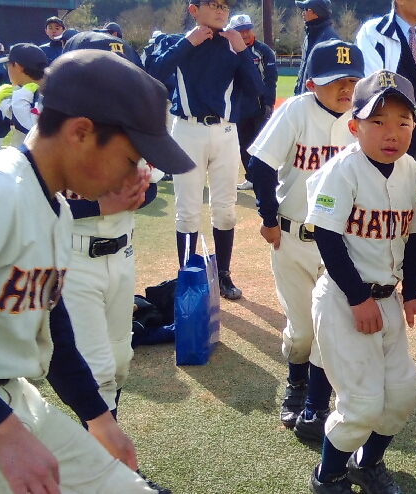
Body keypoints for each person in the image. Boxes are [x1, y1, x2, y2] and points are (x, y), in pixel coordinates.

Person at [0, 49, 195, 494]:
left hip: (7, 399)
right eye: (132, 158)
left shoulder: (57, 210)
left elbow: (54, 327)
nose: (135, 176)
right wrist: (3, 430)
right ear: (81, 132)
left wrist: (98, 418)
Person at [304, 69, 416, 493]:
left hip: (387, 300)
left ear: (414, 126)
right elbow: (326, 236)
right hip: (344, 300)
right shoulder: (342, 169)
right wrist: (358, 297)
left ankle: (368, 463)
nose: (391, 132)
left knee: (401, 397)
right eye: (377, 121)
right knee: (361, 404)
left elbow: (414, 232)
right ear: (354, 126)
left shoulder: (410, 169)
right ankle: (328, 477)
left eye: (403, 121)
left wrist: (412, 294)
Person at [59, 30, 171, 494]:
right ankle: (106, 475)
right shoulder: (59, 130)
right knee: (98, 369)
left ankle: (102, 462)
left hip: (121, 254)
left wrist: (138, 194)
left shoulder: (132, 124)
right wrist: (98, 205)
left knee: (120, 360)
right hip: (73, 258)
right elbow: (41, 202)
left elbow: (152, 183)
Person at [247, 39, 363, 443]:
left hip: (342, 241)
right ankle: (296, 379)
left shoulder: (363, 117)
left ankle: (314, 399)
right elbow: (260, 164)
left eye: (353, 80)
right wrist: (268, 217)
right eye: (335, 81)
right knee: (301, 331)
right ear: (312, 83)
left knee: (328, 324)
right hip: (293, 236)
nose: (346, 89)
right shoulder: (297, 110)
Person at [147, 0, 265, 301]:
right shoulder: (178, 42)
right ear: (193, 10)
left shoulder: (233, 45)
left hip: (225, 131)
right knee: (187, 210)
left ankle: (223, 273)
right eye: (213, 4)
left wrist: (243, 50)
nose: (221, 10)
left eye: (224, 6)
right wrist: (187, 43)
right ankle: (188, 276)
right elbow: (154, 72)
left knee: (225, 209)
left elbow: (256, 89)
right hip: (188, 130)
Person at [356, 0, 416, 297]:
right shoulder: (373, 33)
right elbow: (372, 85)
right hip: (390, 134)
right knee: (379, 199)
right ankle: (377, 267)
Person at [227, 13, 278, 192]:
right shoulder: (227, 51)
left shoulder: (263, 51)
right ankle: (251, 178)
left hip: (259, 108)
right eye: (240, 31)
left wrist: (268, 103)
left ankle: (269, 180)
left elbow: (270, 79)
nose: (245, 34)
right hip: (237, 109)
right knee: (244, 145)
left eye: (247, 29)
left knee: (264, 145)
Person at [0, 43, 48, 147]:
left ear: (18, 67)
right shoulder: (20, 91)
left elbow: (33, 131)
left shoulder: (46, 93)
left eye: (7, 66)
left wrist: (21, 98)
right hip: (24, 154)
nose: (7, 70)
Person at [294, 0, 338, 96]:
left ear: (316, 12)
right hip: (305, 97)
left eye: (306, 9)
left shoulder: (329, 39)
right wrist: (297, 93)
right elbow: (303, 70)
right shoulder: (310, 36)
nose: (303, 13)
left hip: (319, 98)